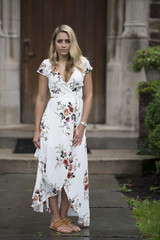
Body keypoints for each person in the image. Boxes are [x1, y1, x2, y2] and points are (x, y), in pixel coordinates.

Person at [32, 24, 93, 233]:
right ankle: (55, 218)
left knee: (73, 168)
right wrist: (37, 130)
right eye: (60, 41)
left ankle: (64, 217)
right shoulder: (46, 65)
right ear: (54, 43)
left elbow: (89, 96)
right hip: (52, 123)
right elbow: (41, 98)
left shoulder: (83, 63)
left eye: (67, 41)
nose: (64, 45)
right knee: (52, 167)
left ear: (72, 42)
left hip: (76, 125)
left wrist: (82, 125)